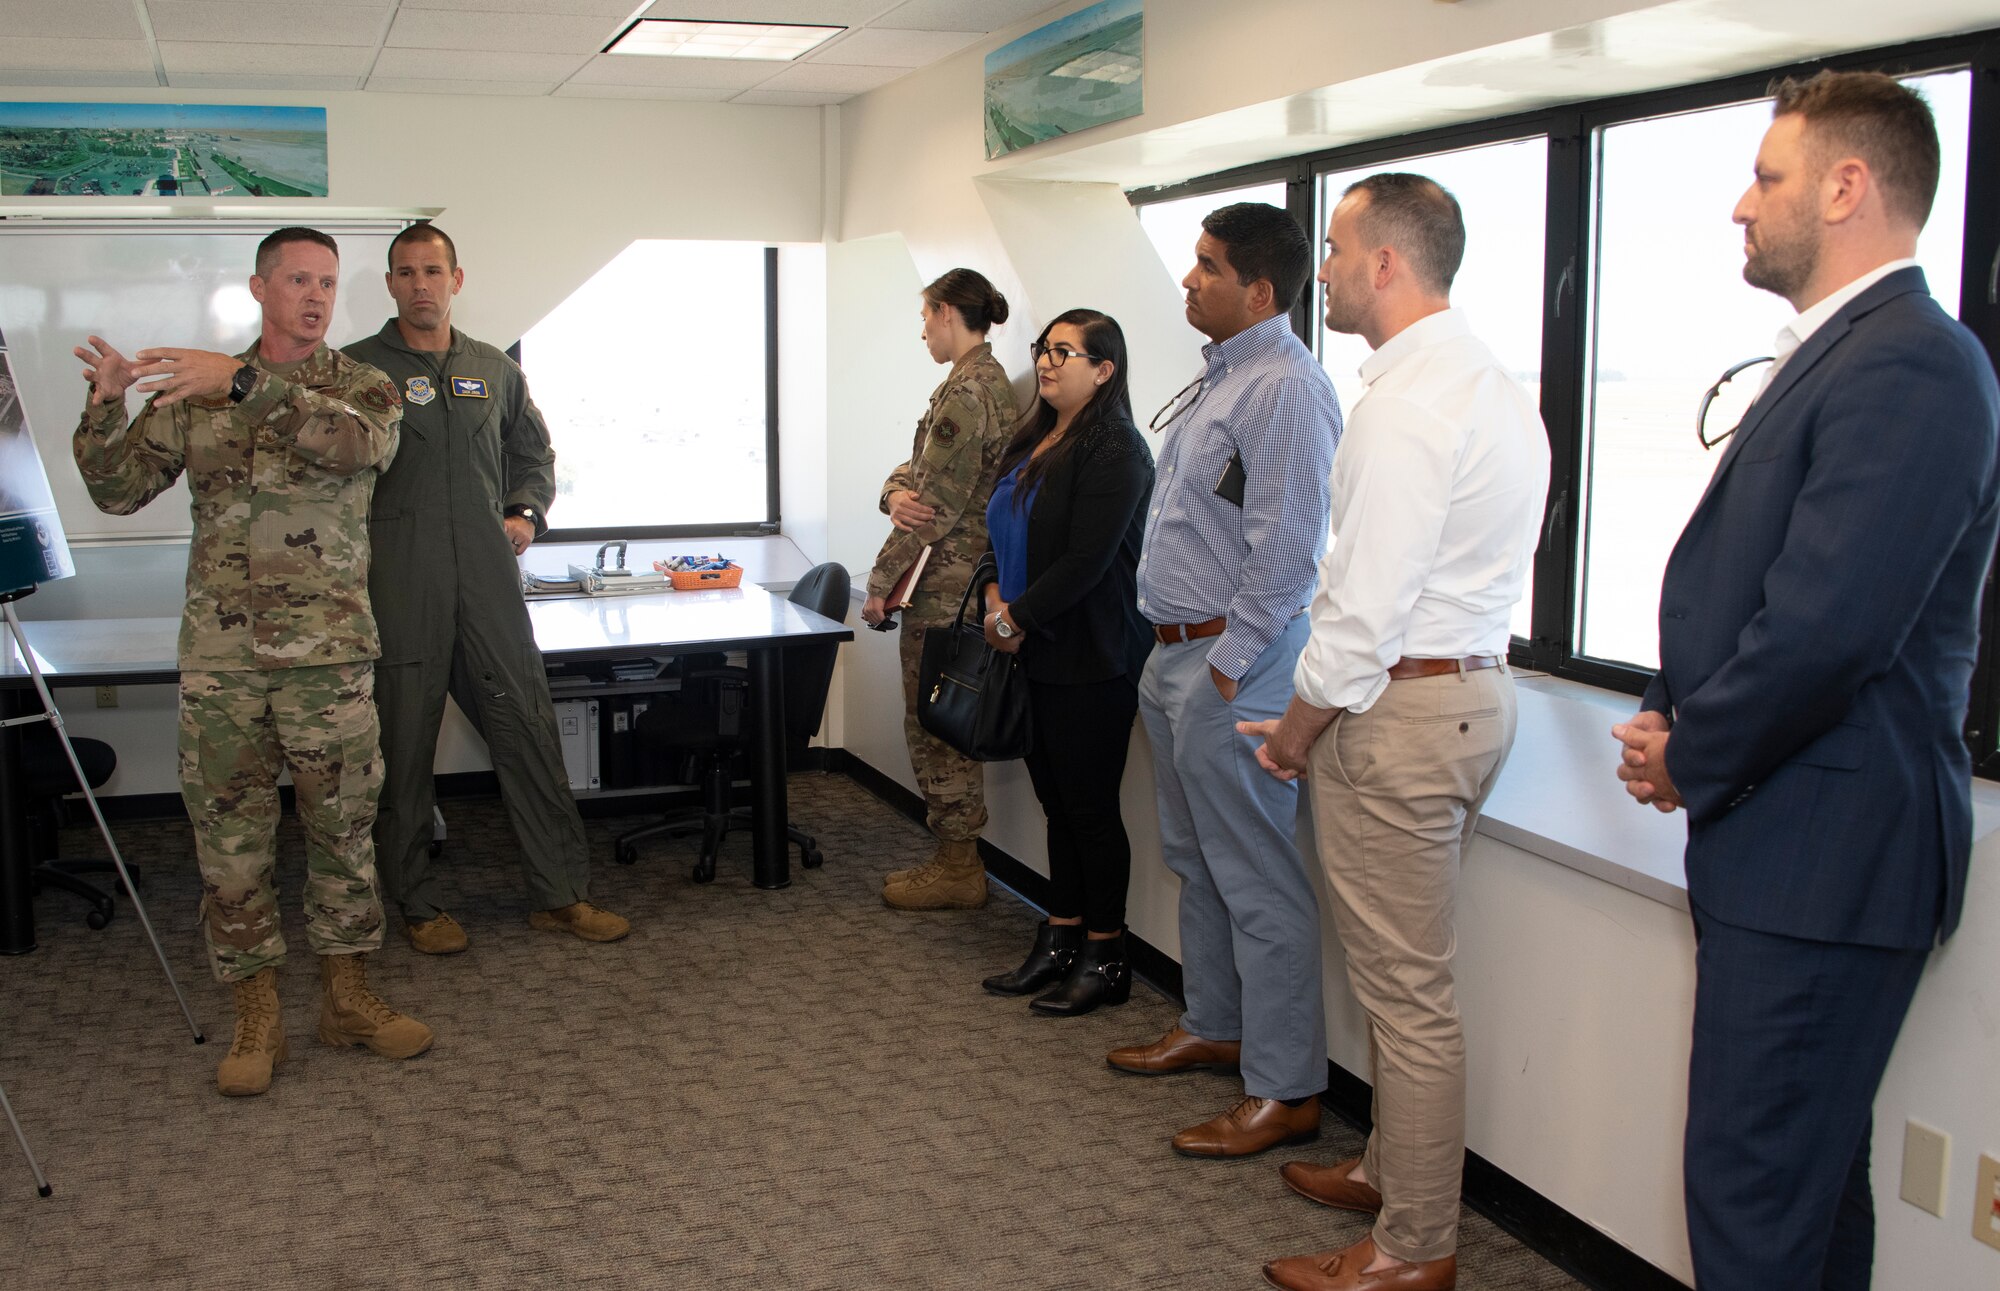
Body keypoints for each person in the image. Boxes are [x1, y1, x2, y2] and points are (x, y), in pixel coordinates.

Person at [1611, 71, 1999, 1291]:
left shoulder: (1910, 366)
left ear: (1845, 187)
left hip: (1826, 854)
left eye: (1766, 177)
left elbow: (1827, 629)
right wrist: (1688, 721)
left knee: (1752, 1201)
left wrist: (1689, 749)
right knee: (1800, 1193)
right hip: (1794, 841)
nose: (1739, 205)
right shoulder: (1851, 353)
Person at [1247, 175, 1550, 1291]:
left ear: (1384, 262)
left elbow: (1361, 614)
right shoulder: (1487, 384)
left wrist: (1289, 731)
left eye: (1332, 247)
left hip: (1399, 712)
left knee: (1408, 997)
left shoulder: (1403, 407)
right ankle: (1387, 1169)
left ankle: (1412, 1246)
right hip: (1470, 698)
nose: (1319, 267)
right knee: (1398, 972)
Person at [72, 226, 433, 1097]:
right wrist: (106, 403)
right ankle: (257, 1012)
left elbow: (357, 450)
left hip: (330, 657)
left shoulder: (361, 388)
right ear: (259, 288)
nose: (315, 296)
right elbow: (116, 492)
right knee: (231, 845)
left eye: (328, 282)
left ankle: (347, 996)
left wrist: (246, 385)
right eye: (299, 280)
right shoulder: (197, 394)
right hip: (225, 662)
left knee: (344, 833)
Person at [1104, 203, 1342, 1159]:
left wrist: (1228, 669)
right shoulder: (1222, 379)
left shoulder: (1284, 387)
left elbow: (1289, 549)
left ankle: (1286, 1091)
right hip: (1174, 654)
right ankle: (1216, 1022)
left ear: (1260, 290)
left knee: (1257, 877)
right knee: (1195, 857)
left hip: (1231, 662)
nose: (1189, 280)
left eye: (1207, 267)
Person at [342, 223, 629, 954]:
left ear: (456, 278)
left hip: (489, 582)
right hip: (400, 581)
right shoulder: (354, 370)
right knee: (403, 747)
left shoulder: (495, 369)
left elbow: (533, 453)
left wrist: (525, 512)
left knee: (527, 728)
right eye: (405, 272)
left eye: (432, 270)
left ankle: (559, 893)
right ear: (390, 284)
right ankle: (413, 901)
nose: (420, 285)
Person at [975, 309, 1153, 1016]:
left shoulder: (1117, 450)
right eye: (1042, 350)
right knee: (1057, 802)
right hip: (1030, 648)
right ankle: (1061, 937)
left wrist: (1015, 618)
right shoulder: (1036, 437)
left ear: (1104, 370)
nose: (1046, 363)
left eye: (1064, 352)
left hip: (1093, 655)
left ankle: (1108, 954)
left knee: (1089, 809)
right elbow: (998, 527)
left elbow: (1086, 560)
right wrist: (994, 598)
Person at [864, 268, 1019, 911]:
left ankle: (959, 866)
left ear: (949, 311)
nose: (922, 328)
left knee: (935, 723)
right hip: (957, 578)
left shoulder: (968, 392)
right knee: (939, 719)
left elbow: (930, 510)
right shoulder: (972, 383)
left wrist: (877, 583)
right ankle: (955, 858)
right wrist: (891, 491)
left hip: (946, 583)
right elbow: (911, 472)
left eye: (926, 315)